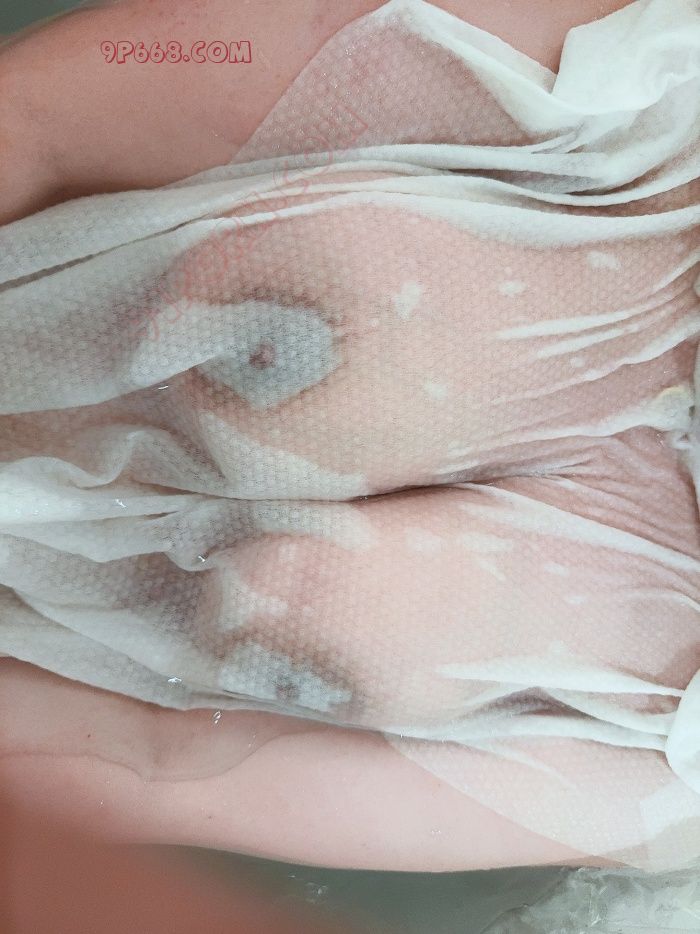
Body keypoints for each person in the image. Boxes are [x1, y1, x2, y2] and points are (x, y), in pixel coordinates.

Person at [0, 0, 698, 893]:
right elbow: (36, 116)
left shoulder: (666, 765)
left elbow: (159, 765)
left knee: (316, 598)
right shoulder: (650, 100)